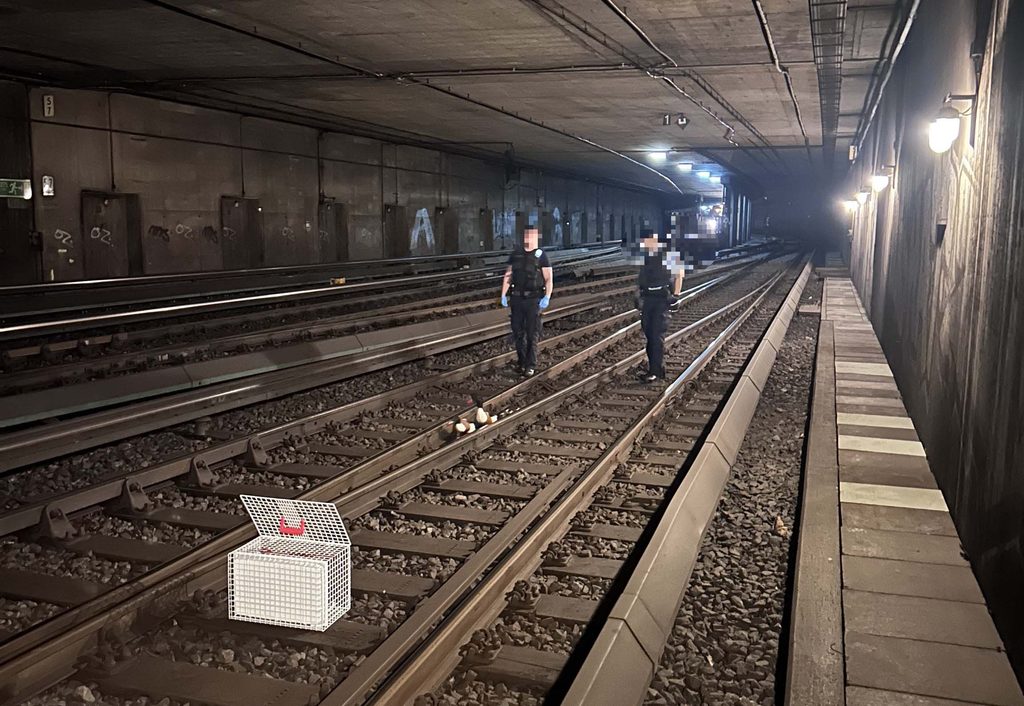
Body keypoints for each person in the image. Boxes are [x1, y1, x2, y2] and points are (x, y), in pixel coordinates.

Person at [499, 226, 553, 376]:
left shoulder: (542, 256)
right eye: (526, 235)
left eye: (531, 235)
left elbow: (548, 278)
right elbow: (508, 275)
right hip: (516, 298)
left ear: (536, 237)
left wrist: (547, 296)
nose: (528, 238)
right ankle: (522, 362)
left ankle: (530, 364)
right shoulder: (516, 255)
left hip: (533, 299)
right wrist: (503, 294)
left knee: (531, 333)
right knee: (518, 333)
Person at [637, 230, 684, 382]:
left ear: (653, 240)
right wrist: (637, 295)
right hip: (648, 300)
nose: (643, 244)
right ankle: (657, 368)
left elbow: (679, 274)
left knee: (656, 336)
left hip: (662, 300)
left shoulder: (668, 254)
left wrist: (676, 296)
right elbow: (642, 278)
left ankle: (655, 371)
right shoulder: (646, 257)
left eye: (645, 241)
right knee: (650, 335)